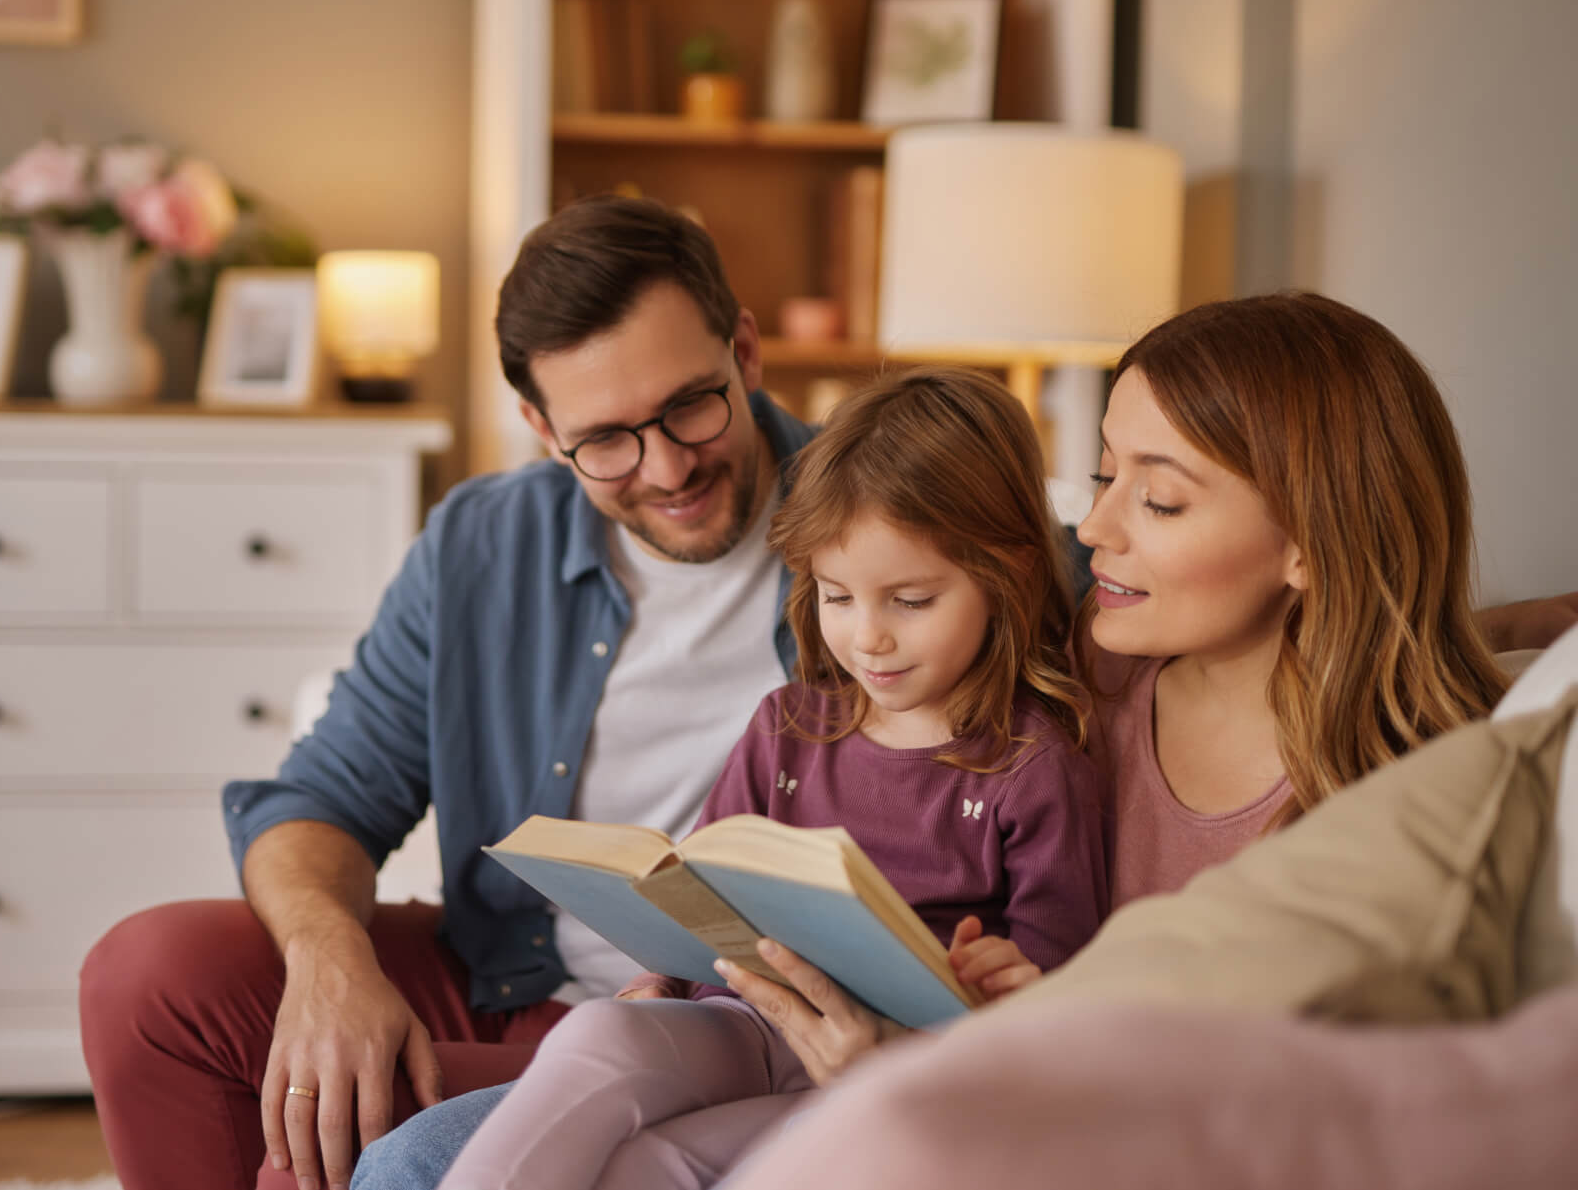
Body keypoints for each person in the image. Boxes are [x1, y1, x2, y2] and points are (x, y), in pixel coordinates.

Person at [352, 291, 1525, 1189]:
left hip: (971, 1125)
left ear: (1312, 543)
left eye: (1156, 499)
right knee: (419, 1157)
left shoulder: (1412, 817)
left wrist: (922, 1070)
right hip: (792, 1048)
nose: (1094, 522)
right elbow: (937, 557)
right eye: (1105, 473)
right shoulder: (1086, 671)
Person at [77, 195, 826, 1190]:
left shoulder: (886, 523)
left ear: (745, 348)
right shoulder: (485, 541)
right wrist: (328, 961)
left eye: (692, 402)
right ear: (539, 425)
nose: (668, 467)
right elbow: (324, 798)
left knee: (311, 1147)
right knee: (150, 975)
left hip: (734, 1033)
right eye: (604, 440)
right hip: (517, 983)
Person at [434, 367, 1109, 1190]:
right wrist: (662, 976)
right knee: (597, 1036)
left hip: (889, 1074)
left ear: (1007, 576)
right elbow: (697, 893)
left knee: (660, 1165)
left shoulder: (1030, 770)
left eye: (911, 600)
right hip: (751, 1024)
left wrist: (999, 986)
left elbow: (1056, 991)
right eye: (837, 595)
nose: (868, 638)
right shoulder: (788, 726)